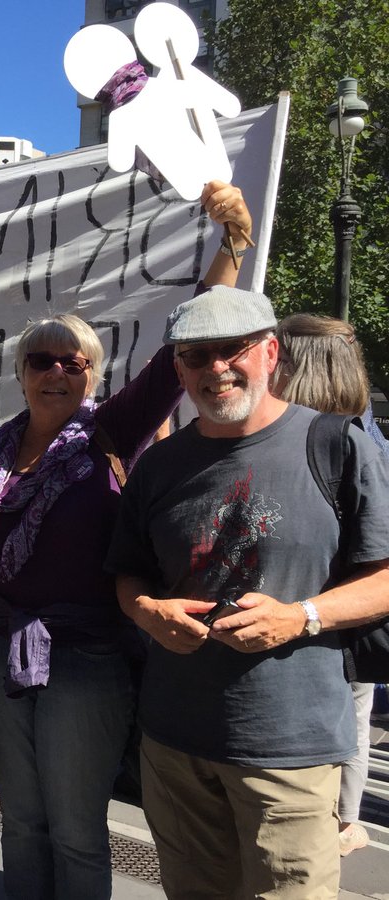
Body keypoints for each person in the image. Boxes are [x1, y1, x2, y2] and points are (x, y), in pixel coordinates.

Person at [0, 180, 253, 900]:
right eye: (40, 361)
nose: (55, 371)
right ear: (19, 374)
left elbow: (182, 347)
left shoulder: (113, 431)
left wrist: (231, 244)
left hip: (85, 659)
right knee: (21, 821)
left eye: (72, 362)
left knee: (76, 830)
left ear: (93, 377)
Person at [105, 287, 389, 898]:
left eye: (231, 349)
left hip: (289, 750)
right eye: (196, 355)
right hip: (175, 743)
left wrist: (302, 616)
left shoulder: (337, 445)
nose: (216, 368)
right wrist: (148, 611)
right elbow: (128, 576)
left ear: (270, 352)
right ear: (179, 369)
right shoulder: (158, 466)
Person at [274, 312, 389, 858]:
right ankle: (341, 824)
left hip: (320, 614)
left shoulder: (319, 439)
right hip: (352, 619)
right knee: (355, 721)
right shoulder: (367, 432)